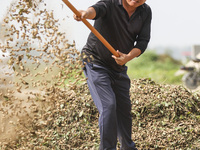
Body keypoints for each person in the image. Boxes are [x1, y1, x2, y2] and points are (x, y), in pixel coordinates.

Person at [74, 0, 152, 149]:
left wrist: (127, 57)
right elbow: (96, 10)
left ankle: (128, 147)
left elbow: (143, 41)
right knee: (108, 105)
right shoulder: (110, 3)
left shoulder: (145, 12)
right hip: (94, 61)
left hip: (118, 67)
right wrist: (85, 14)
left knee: (123, 109)